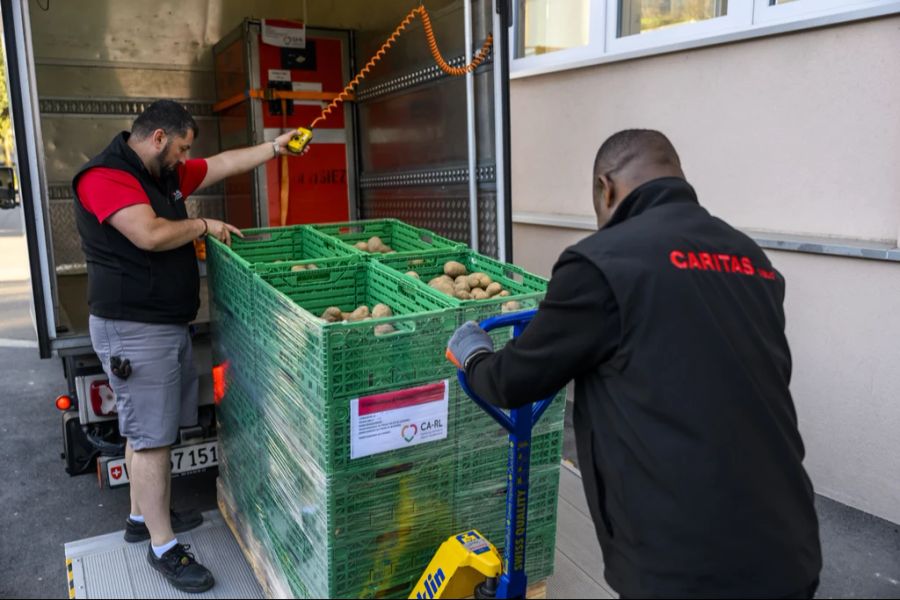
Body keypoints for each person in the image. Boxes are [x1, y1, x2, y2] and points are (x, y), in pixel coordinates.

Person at [446, 130, 822, 599]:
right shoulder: (752, 259)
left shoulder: (600, 262)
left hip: (686, 570)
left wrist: (474, 351)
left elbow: (512, 381)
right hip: (790, 547)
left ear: (606, 187)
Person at [73, 99, 301, 593]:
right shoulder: (104, 176)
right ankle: (163, 548)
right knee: (152, 440)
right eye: (181, 148)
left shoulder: (163, 173)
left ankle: (140, 518)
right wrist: (203, 226)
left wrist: (273, 149)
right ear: (158, 138)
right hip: (133, 328)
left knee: (145, 429)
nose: (185, 158)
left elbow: (219, 165)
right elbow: (149, 234)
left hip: (163, 325)